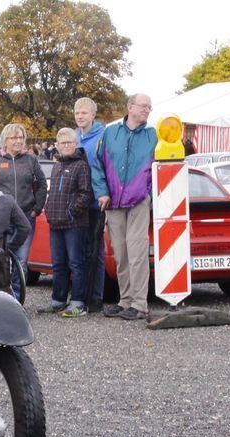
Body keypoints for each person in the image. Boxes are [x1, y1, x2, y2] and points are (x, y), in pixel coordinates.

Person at [92, 93, 157, 321]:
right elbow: (97, 164)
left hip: (139, 201)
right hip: (114, 201)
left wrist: (149, 193)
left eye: (150, 107)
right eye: (143, 106)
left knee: (137, 252)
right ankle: (125, 300)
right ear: (130, 107)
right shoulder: (110, 133)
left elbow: (163, 167)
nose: (147, 110)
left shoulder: (153, 135)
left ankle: (140, 303)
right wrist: (101, 192)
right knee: (121, 252)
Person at [37, 128, 93, 318]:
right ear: (57, 146)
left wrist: (72, 211)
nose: (66, 146)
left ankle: (78, 303)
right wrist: (48, 209)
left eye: (69, 142)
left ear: (75, 144)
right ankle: (58, 301)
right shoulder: (57, 165)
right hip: (56, 223)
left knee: (76, 264)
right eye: (62, 143)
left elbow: (86, 193)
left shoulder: (81, 165)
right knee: (58, 264)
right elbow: (53, 192)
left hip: (74, 224)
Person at [0, 123, 48, 300]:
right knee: (2, 259)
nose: (18, 141)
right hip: (2, 219)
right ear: (5, 140)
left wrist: (37, 208)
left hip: (25, 218)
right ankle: (2, 298)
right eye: (14, 137)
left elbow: (41, 184)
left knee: (21, 261)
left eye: (21, 137)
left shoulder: (31, 160)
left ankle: (16, 299)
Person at [73, 96, 107, 310]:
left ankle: (96, 296)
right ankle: (80, 295)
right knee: (80, 250)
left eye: (84, 113)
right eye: (77, 113)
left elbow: (106, 167)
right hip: (79, 201)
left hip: (96, 201)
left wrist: (104, 192)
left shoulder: (103, 136)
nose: (80, 117)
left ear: (93, 115)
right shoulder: (74, 137)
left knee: (96, 250)